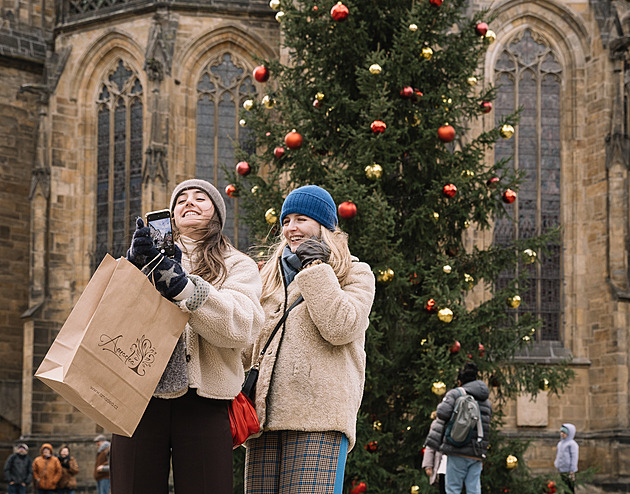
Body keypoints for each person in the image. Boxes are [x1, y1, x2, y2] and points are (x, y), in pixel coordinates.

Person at [112, 179, 264, 494]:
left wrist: (184, 288)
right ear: (171, 214)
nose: (189, 202)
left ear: (217, 215)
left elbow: (243, 327)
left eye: (200, 198)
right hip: (139, 397)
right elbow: (112, 320)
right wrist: (131, 270)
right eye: (181, 199)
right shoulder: (145, 260)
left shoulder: (238, 265)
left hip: (204, 402)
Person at [244, 184, 376, 494]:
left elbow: (341, 327)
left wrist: (316, 268)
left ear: (324, 225)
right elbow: (248, 345)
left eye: (301, 219)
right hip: (263, 421)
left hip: (319, 419)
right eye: (286, 220)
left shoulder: (354, 273)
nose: (291, 228)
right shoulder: (268, 278)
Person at [424, 362, 491, 494]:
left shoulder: (456, 393)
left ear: (460, 381)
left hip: (458, 447)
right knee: (474, 489)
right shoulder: (485, 400)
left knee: (453, 488)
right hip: (477, 451)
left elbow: (442, 414)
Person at [554, 423, 579, 493]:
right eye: (561, 432)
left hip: (569, 470)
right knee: (564, 486)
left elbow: (574, 457)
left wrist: (572, 469)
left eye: (564, 432)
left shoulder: (572, 444)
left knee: (570, 487)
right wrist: (557, 464)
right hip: (561, 469)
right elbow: (558, 455)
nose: (562, 434)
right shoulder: (560, 444)